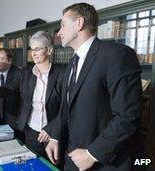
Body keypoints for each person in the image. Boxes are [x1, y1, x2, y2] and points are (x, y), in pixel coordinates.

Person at [45, 3, 143, 171]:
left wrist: (92, 153)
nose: (59, 32)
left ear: (79, 23)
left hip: (103, 162)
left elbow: (128, 116)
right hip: (72, 158)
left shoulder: (117, 55)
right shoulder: (71, 64)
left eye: (62, 25)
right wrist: (54, 137)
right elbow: (66, 108)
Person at [0, 32, 64, 158]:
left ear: (50, 50)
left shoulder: (61, 75)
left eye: (37, 49)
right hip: (31, 131)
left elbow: (66, 107)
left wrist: (51, 128)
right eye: (31, 49)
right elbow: (10, 90)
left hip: (53, 134)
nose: (33, 53)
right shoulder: (26, 73)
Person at [0, 48, 22, 134]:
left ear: (9, 60)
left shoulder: (18, 73)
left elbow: (9, 91)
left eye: (1, 59)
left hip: (14, 119)